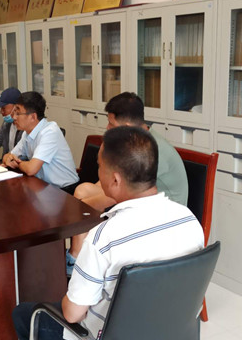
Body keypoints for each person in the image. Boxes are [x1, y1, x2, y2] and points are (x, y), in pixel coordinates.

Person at [12, 126, 204, 340]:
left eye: (99, 167)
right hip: (170, 335)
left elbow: (72, 314)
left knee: (24, 313)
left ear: (115, 180)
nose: (98, 174)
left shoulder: (104, 237)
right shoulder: (189, 221)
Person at [67, 92, 189, 275]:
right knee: (83, 190)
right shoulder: (134, 142)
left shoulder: (148, 149)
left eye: (111, 124)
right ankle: (78, 257)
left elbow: (122, 193)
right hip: (140, 200)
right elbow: (108, 182)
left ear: (126, 127)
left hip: (162, 214)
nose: (107, 128)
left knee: (84, 210)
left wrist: (80, 209)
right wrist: (82, 203)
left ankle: (78, 261)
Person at [2, 91, 79, 194]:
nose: (14, 117)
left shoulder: (50, 131)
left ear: (33, 117)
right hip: (43, 186)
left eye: (18, 113)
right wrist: (8, 158)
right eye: (14, 112)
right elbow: (9, 156)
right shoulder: (27, 133)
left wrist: (17, 163)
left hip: (65, 191)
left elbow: (31, 169)